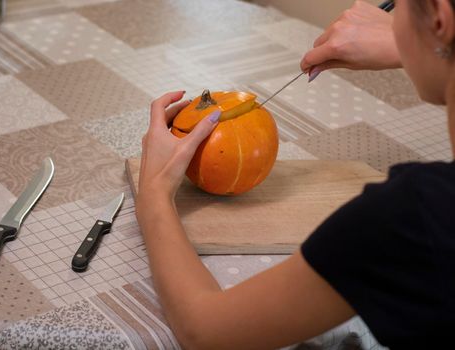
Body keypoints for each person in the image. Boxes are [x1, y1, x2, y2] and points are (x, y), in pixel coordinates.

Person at [135, 0, 455, 349]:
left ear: (440, 17)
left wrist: (153, 194)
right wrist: (418, 45)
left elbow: (205, 330)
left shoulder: (413, 216)